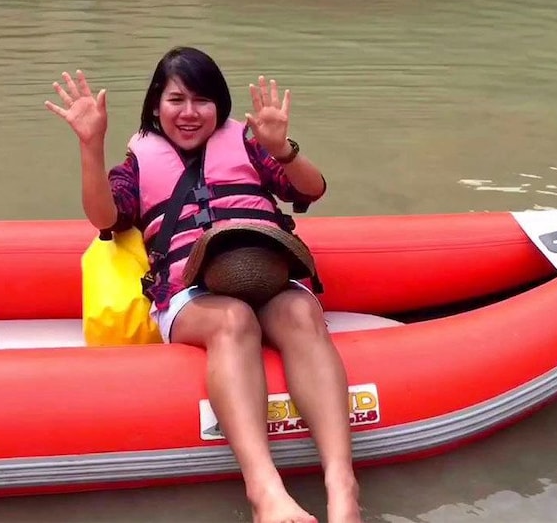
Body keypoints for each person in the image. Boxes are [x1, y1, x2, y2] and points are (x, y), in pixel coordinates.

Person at [45, 46, 362, 523]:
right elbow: (105, 216)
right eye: (176, 100)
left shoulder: (249, 145)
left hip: (266, 274)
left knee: (301, 311)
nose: (189, 113)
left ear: (220, 105)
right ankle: (265, 492)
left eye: (202, 100)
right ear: (156, 105)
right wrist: (91, 144)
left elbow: (309, 190)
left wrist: (282, 148)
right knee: (232, 320)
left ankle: (342, 488)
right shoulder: (137, 163)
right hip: (191, 295)